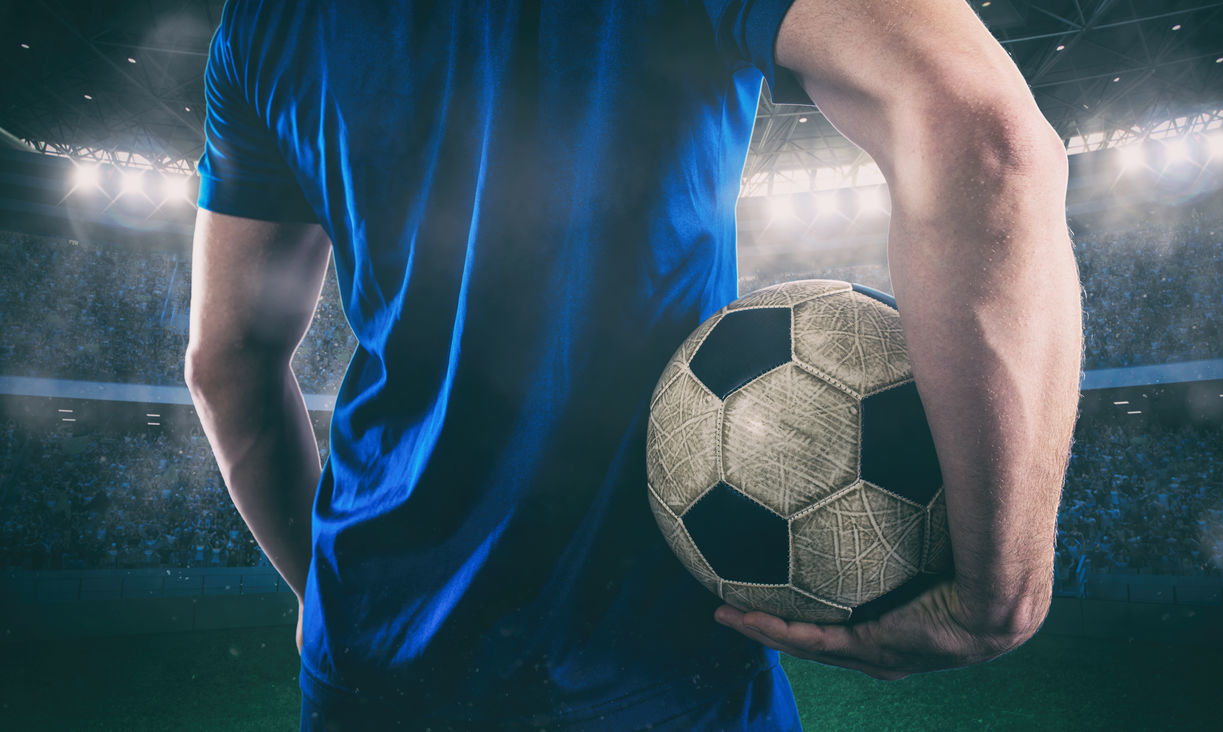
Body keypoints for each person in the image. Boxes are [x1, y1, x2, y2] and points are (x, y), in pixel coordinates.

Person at [185, 0, 1081, 729]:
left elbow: (226, 365)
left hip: (371, 674)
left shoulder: (265, 21)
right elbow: (983, 134)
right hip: (657, 669)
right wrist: (999, 596)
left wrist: (329, 597)